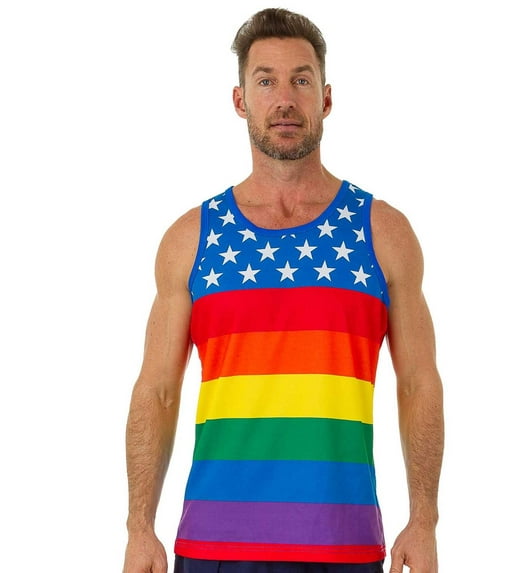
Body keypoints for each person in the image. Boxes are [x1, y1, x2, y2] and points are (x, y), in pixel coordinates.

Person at [123, 8, 444, 573]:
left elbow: (418, 384)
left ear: (326, 98)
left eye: (301, 79)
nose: (285, 99)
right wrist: (138, 528)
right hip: (215, 544)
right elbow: (158, 391)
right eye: (266, 81)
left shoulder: (382, 232)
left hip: (343, 542)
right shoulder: (191, 238)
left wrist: (424, 521)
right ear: (240, 100)